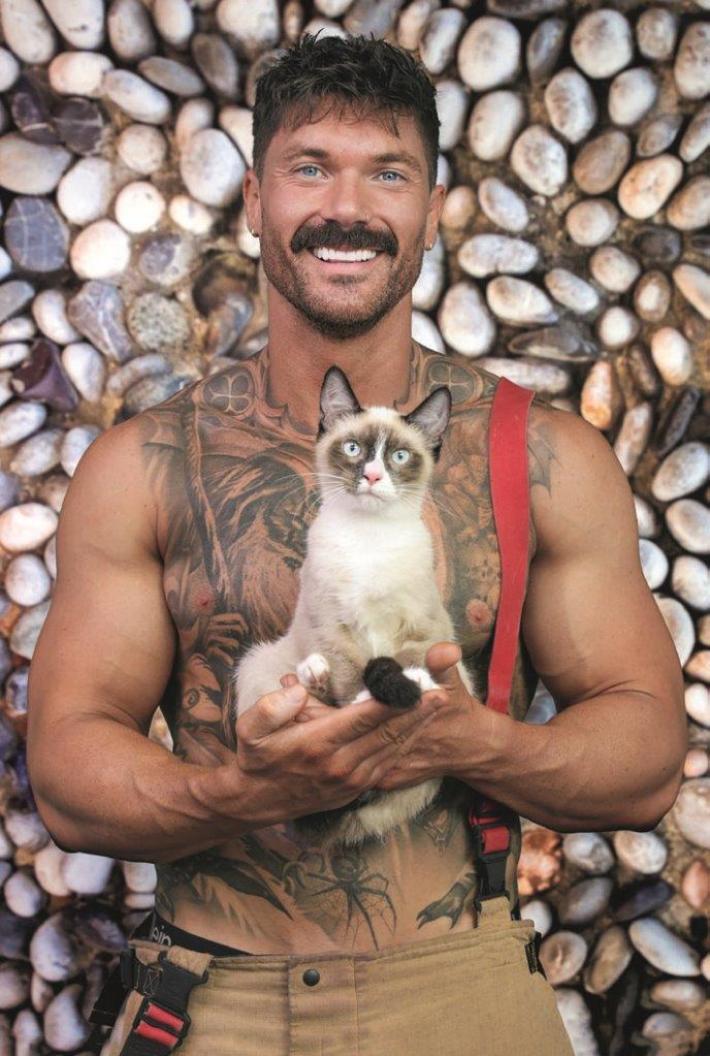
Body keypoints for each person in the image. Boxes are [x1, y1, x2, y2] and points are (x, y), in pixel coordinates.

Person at [27, 32, 687, 1056]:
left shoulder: (542, 456)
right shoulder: (145, 466)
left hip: (459, 997)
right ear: (254, 201)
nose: (348, 208)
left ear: (432, 207)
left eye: (388, 173)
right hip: (214, 1001)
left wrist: (471, 743)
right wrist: (238, 793)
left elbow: (645, 761)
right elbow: (69, 773)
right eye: (309, 168)